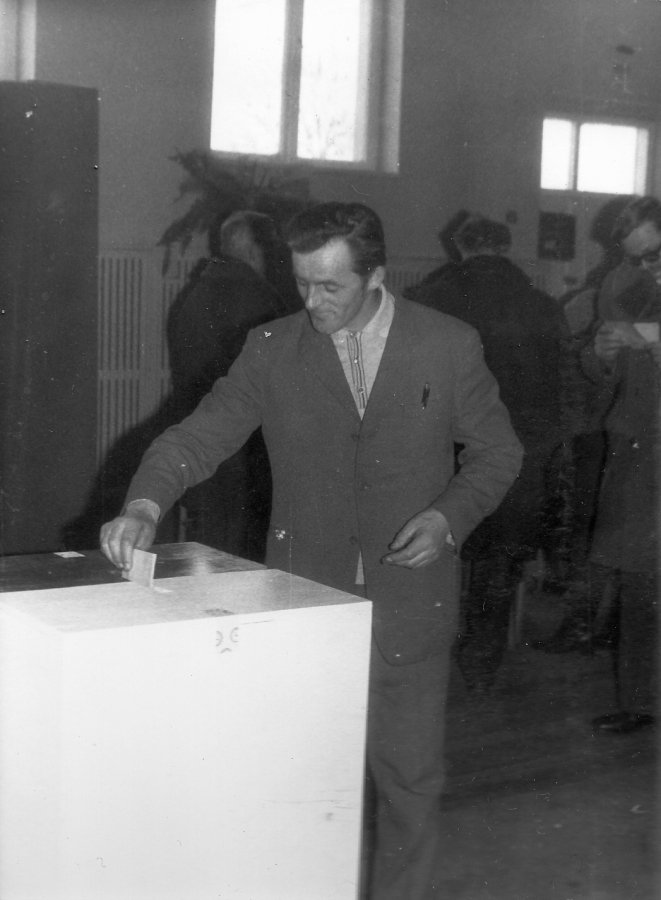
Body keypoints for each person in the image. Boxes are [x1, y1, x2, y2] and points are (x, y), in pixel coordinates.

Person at [100, 201, 522, 899]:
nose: (312, 301)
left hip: (410, 602)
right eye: (301, 283)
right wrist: (144, 502)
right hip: (308, 600)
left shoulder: (446, 343)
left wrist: (448, 518)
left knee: (410, 782)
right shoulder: (271, 347)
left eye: (331, 286)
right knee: (299, 783)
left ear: (375, 275)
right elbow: (197, 437)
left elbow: (497, 452)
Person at [407, 214, 564, 692]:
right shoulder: (543, 306)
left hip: (442, 447)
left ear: (459, 247)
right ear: (506, 247)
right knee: (500, 559)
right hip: (518, 451)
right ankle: (481, 663)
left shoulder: (428, 298)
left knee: (432, 545)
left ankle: (419, 655)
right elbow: (557, 389)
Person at [166, 210, 299, 560]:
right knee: (240, 556)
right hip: (244, 456)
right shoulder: (258, 298)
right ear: (256, 251)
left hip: (202, 441)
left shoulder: (196, 293)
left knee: (211, 549)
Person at [583, 195, 661, 735]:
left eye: (654, 253)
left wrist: (651, 340)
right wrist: (602, 353)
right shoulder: (621, 283)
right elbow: (595, 368)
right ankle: (639, 703)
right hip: (639, 445)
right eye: (636, 257)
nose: (646, 265)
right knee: (639, 578)